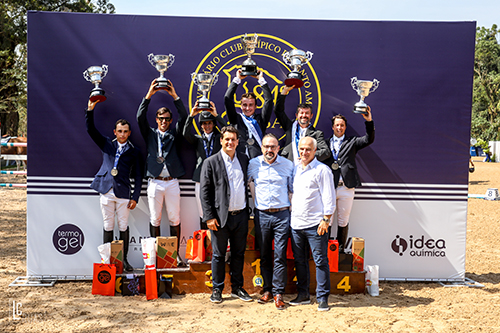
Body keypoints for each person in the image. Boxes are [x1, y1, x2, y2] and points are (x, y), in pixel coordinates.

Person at [85, 98, 143, 272]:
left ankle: (123, 260)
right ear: (115, 132)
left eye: (125, 131)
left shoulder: (134, 152)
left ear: (129, 133)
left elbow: (139, 176)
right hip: (106, 191)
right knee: (108, 226)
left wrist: (135, 197)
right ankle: (107, 261)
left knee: (123, 226)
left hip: (124, 193)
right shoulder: (106, 144)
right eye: (120, 131)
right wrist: (90, 110)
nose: (123, 134)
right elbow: (90, 130)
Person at [137, 79, 188, 265]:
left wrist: (174, 96)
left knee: (175, 218)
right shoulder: (150, 134)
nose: (164, 122)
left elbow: (185, 116)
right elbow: (140, 117)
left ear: (170, 120)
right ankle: (155, 256)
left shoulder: (175, 133)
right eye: (161, 119)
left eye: (167, 119)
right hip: (155, 182)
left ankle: (174, 255)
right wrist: (149, 95)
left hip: (172, 181)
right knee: (155, 218)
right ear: (156, 120)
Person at [200, 125, 252, 304]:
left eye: (233, 139)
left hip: (241, 216)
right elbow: (204, 192)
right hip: (220, 218)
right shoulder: (211, 162)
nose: (230, 142)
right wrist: (209, 217)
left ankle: (237, 288)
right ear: (221, 140)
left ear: (238, 142)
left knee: (238, 253)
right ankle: (217, 289)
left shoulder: (244, 160)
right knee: (218, 254)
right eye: (226, 139)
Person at [247, 133, 293, 310]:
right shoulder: (253, 164)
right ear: (261, 148)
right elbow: (247, 183)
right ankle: (267, 290)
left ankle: (279, 293)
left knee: (280, 255)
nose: (269, 150)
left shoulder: (288, 165)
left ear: (278, 149)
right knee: (265, 255)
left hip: (282, 215)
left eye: (273, 147)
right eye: (266, 146)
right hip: (262, 215)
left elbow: (292, 189)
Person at [290, 136, 335, 312]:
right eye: (302, 149)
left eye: (308, 149)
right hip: (296, 225)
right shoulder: (295, 170)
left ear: (315, 151)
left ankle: (323, 298)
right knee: (300, 261)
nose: (304, 152)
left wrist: (326, 219)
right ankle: (303, 295)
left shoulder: (322, 170)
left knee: (320, 261)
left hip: (316, 225)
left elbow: (329, 197)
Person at [325, 109, 375, 253]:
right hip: (330, 187)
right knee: (328, 218)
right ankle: (326, 249)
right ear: (332, 127)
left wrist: (369, 121)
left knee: (343, 219)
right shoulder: (326, 142)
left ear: (345, 127)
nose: (339, 128)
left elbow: (369, 139)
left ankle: (340, 250)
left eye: (342, 125)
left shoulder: (352, 141)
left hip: (346, 187)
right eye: (337, 125)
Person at [182, 101, 225, 229]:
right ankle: (204, 245)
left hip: (217, 178)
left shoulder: (220, 138)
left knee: (218, 210)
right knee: (203, 212)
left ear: (213, 124)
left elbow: (228, 130)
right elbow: (185, 134)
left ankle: (217, 244)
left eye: (210, 123)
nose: (207, 126)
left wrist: (216, 115)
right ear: (201, 126)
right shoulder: (198, 139)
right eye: (204, 123)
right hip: (200, 179)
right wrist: (191, 116)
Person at [274, 85, 331, 165]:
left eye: (307, 113)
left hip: (306, 167)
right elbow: (278, 111)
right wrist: (284, 92)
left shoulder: (317, 134)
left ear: (311, 116)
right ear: (297, 115)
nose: (304, 115)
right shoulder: (290, 126)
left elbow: (326, 152)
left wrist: (308, 156)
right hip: (288, 165)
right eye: (301, 113)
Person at [224, 69, 273, 158]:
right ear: (240, 106)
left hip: (258, 161)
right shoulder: (235, 118)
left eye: (251, 105)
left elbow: (269, 101)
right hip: (238, 159)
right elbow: (227, 99)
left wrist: (261, 79)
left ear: (255, 106)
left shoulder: (261, 119)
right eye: (245, 105)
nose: (247, 108)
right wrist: (237, 79)